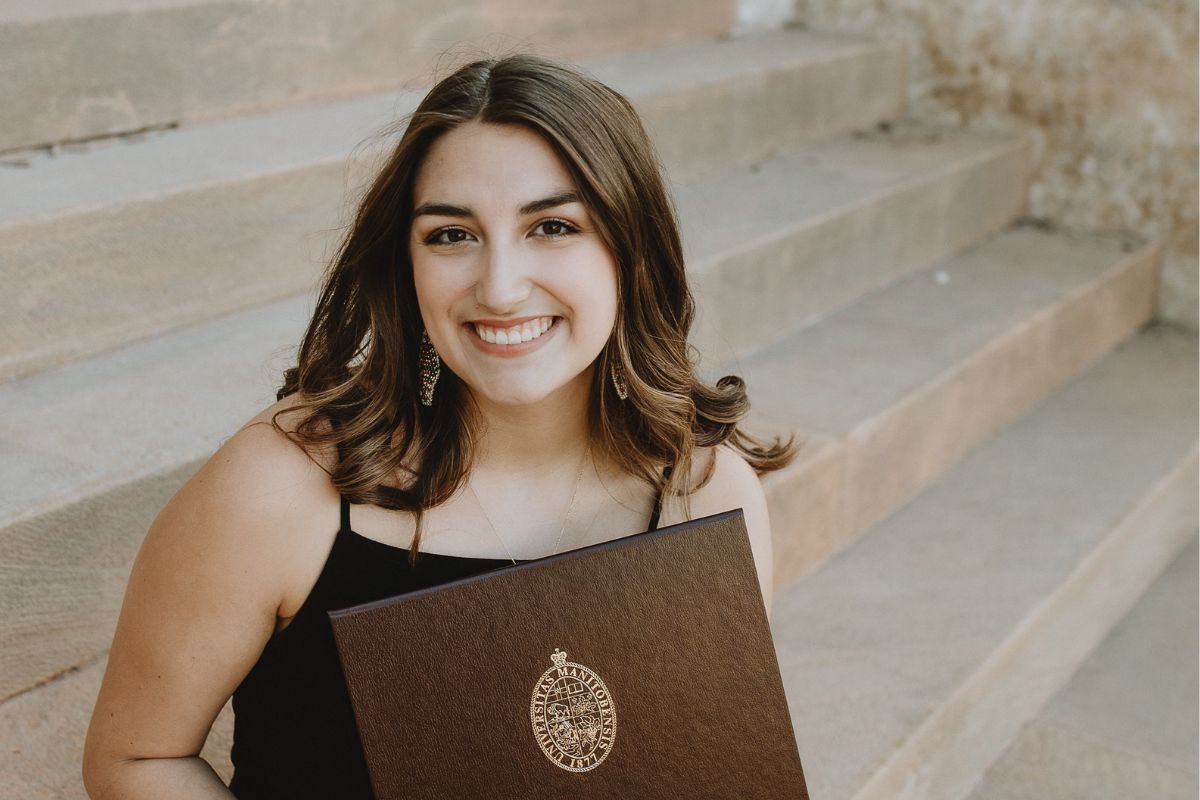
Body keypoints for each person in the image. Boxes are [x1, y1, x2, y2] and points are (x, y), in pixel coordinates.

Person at [82, 52, 797, 799]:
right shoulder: (281, 489)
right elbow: (136, 760)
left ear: (631, 250)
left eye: (552, 226)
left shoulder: (706, 496)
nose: (500, 287)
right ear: (406, 264)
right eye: (451, 235)